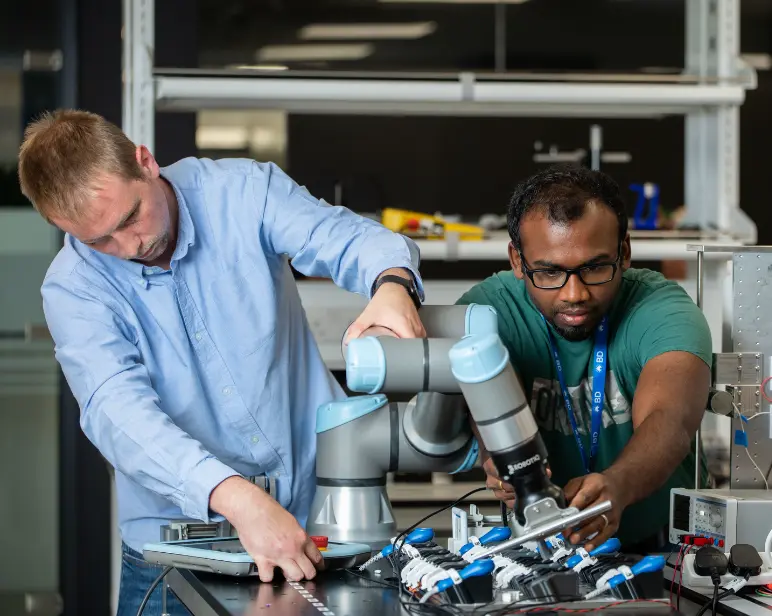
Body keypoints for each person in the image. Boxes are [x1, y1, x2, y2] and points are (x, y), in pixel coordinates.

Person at [18, 109, 427, 615]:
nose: (129, 248)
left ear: (145, 163)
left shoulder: (243, 192)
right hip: (174, 558)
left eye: (129, 219)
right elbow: (117, 412)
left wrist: (392, 284)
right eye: (98, 240)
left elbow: (350, 239)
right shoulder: (73, 287)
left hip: (320, 529)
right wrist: (236, 498)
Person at [457, 165, 712, 553]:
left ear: (624, 253)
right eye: (548, 271)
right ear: (516, 260)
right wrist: (499, 462)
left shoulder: (663, 311)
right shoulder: (486, 312)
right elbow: (475, 410)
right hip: (536, 544)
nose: (574, 294)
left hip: (664, 549)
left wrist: (618, 485)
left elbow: (670, 420)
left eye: (594, 267)